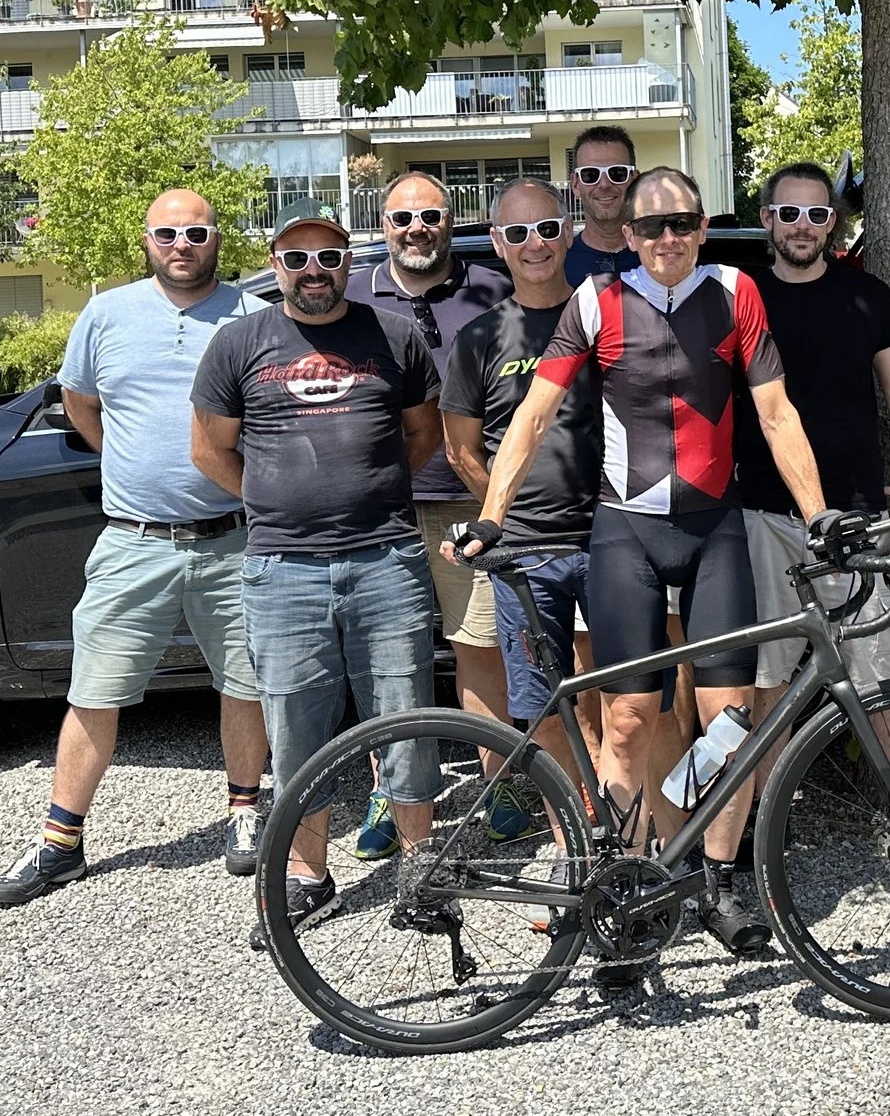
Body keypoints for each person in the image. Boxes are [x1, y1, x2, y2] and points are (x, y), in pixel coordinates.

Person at [450, 166, 827, 964]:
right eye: (652, 226)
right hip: (626, 533)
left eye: (682, 222)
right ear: (628, 235)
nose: (667, 238)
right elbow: (534, 415)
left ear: (702, 227)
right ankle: (620, 891)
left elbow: (776, 411)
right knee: (627, 720)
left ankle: (715, 879)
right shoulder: (597, 300)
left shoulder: (735, 291)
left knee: (731, 722)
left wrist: (819, 515)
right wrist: (492, 516)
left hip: (714, 528)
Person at [0, 190, 266, 908]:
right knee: (94, 691)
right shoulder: (106, 313)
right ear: (146, 240)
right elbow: (80, 401)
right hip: (133, 541)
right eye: (166, 233)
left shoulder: (252, 316)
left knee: (246, 683)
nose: (181, 245)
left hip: (233, 539)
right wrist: (127, 457)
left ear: (217, 238)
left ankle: (244, 811)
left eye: (195, 233)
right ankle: (60, 844)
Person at [191, 211, 444, 950]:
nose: (313, 270)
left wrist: (369, 491)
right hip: (282, 569)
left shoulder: (394, 335)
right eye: (296, 257)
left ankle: (420, 870)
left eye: (328, 256)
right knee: (296, 727)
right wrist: (275, 501)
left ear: (347, 264)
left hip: (386, 560)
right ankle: (308, 875)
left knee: (405, 717)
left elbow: (423, 433)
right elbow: (208, 449)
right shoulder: (238, 342)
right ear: (275, 263)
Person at [732, 162, 890, 785]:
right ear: (767, 219)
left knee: (878, 673)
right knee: (769, 677)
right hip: (765, 512)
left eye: (816, 214)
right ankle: (763, 819)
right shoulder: (743, 296)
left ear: (832, 222)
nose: (802, 226)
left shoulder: (867, 295)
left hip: (855, 515)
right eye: (789, 213)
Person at [342, 170, 513, 851]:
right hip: (382, 509)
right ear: (383, 226)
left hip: (470, 501)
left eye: (432, 215)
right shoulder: (352, 292)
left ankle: (499, 786)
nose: (417, 228)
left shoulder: (493, 288)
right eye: (403, 217)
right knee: (391, 661)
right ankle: (391, 794)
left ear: (450, 222)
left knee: (481, 649)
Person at [440, 181, 604, 781]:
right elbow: (460, 450)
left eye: (547, 228)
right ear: (497, 243)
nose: (535, 244)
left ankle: (623, 821)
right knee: (544, 709)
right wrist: (506, 513)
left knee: (620, 698)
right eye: (517, 232)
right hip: (526, 551)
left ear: (568, 232)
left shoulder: (605, 319)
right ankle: (572, 829)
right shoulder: (480, 338)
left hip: (612, 538)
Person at [562, 125, 644, 286]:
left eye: (617, 173)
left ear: (634, 180)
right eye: (590, 175)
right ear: (575, 184)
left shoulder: (660, 255)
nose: (604, 184)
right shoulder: (557, 266)